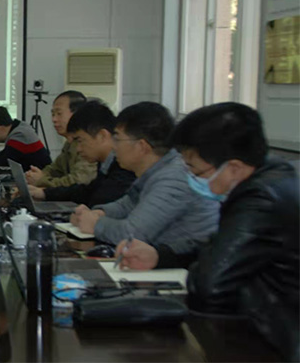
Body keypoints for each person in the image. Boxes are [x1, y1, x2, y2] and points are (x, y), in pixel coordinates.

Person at [114, 103, 298, 361]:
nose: (190, 177)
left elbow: (210, 287)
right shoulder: (268, 176)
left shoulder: (260, 199)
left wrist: (198, 271)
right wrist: (160, 255)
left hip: (274, 343)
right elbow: (220, 246)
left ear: (233, 168)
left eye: (195, 171)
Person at [70, 102, 219, 251]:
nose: (114, 147)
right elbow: (128, 204)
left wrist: (95, 224)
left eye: (118, 139)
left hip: (184, 262)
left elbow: (133, 234)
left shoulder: (174, 178)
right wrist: (99, 213)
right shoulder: (156, 170)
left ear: (142, 146)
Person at [28, 101, 135, 208]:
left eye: (80, 141)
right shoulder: (105, 164)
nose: (78, 149)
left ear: (102, 136)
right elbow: (86, 191)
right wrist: (44, 193)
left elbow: (100, 199)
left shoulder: (124, 167)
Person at [25, 91, 96, 188]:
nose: (54, 119)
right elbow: (55, 169)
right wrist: (35, 176)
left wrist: (42, 181)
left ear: (77, 114)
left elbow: (78, 181)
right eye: (53, 114)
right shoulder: (69, 142)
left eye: (59, 114)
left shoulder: (88, 143)